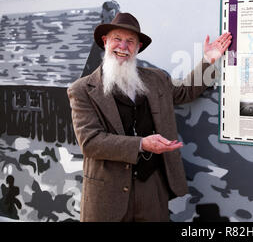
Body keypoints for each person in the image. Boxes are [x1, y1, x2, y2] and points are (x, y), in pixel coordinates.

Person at [67, 12, 231, 222]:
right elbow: (90, 142)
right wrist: (142, 144)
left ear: (137, 47)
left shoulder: (156, 79)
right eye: (117, 39)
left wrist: (209, 60)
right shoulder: (82, 90)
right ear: (105, 41)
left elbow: (185, 92)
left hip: (152, 187)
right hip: (107, 193)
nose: (123, 47)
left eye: (130, 41)